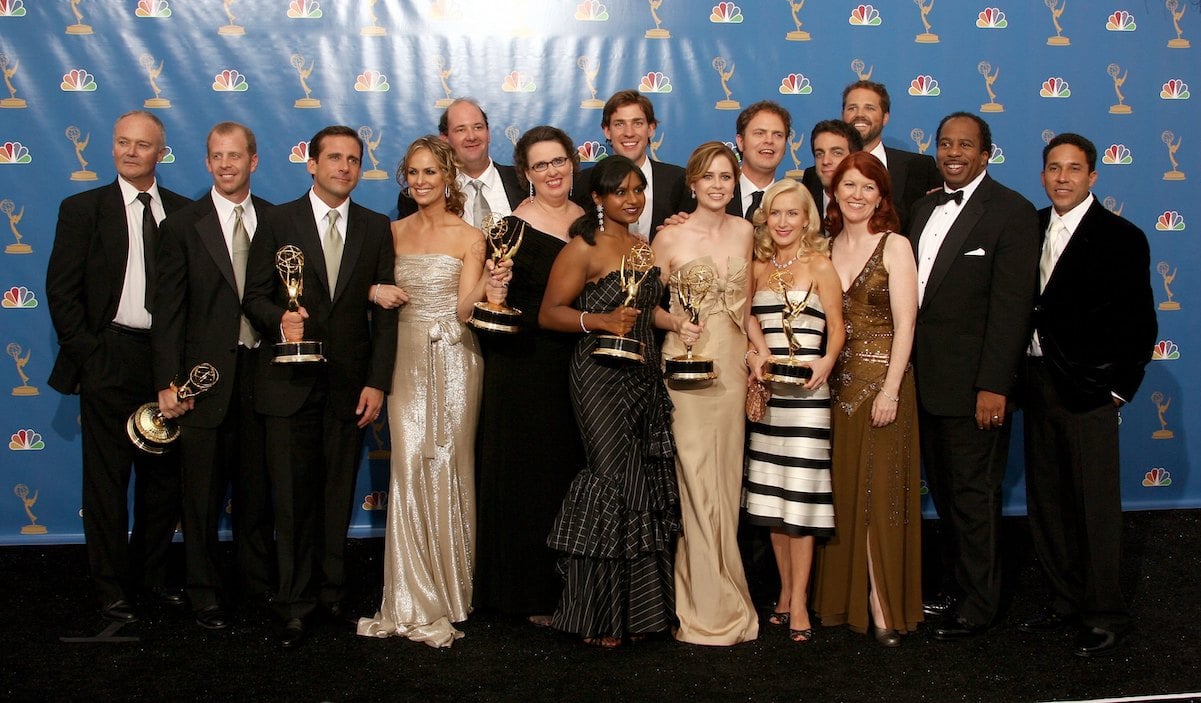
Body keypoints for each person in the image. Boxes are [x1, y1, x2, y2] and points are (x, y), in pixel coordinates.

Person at [242, 125, 398, 648]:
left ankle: (331, 594)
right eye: (333, 158)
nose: (344, 167)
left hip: (350, 388)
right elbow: (255, 295)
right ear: (311, 164)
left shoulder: (377, 227)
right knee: (291, 500)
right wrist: (277, 322)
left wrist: (378, 382)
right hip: (287, 383)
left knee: (337, 497)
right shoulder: (276, 219)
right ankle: (294, 602)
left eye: (353, 159)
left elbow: (385, 317)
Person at [46, 110, 192, 623]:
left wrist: (180, 369)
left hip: (165, 360)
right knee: (106, 482)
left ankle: (150, 577)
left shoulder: (184, 213)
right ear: (112, 147)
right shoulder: (81, 209)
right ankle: (110, 587)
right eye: (123, 143)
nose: (131, 152)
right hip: (108, 354)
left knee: (163, 479)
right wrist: (92, 355)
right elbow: (61, 293)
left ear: (161, 152)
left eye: (143, 144)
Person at [357, 136, 500, 647]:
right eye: (412, 174)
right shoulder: (388, 232)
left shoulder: (471, 236)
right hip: (404, 357)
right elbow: (360, 287)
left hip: (458, 356)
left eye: (429, 173)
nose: (420, 182)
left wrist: (490, 284)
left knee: (450, 462)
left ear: (448, 178)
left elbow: (465, 311)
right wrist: (376, 291)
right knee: (410, 461)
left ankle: (453, 592)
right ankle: (411, 591)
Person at [1018, 133, 1156, 657]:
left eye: (1074, 169)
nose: (1062, 177)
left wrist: (1119, 390)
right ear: (1043, 173)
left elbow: (1139, 324)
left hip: (1090, 391)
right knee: (1047, 501)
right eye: (1054, 167)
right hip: (1035, 383)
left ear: (1093, 177)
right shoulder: (1028, 227)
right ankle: (1064, 599)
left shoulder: (1121, 237)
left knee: (1093, 507)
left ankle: (1105, 613)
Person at [906, 112, 1039, 640]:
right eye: (945, 143)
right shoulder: (921, 207)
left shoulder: (1011, 212)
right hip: (924, 383)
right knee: (943, 491)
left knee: (975, 496)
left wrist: (994, 385)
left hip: (975, 389)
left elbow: (1012, 310)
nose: (953, 152)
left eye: (965, 144)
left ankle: (982, 604)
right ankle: (959, 587)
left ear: (987, 153)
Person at [540, 155, 680, 648]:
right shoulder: (584, 247)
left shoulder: (645, 249)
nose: (633, 199)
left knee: (637, 482)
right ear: (597, 198)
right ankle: (597, 613)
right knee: (612, 480)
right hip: (597, 376)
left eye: (638, 189)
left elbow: (647, 315)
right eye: (620, 191)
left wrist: (679, 322)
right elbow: (549, 314)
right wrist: (597, 322)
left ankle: (633, 611)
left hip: (642, 374)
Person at [152, 121, 274, 630]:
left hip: (263, 378)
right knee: (199, 495)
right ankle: (204, 591)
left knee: (256, 488)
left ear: (254, 161)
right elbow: (169, 313)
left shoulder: (275, 220)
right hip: (201, 383)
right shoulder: (182, 224)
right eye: (216, 156)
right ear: (206, 163)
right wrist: (168, 381)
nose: (226, 165)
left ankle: (254, 582)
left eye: (235, 156)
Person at [474, 126, 586, 624]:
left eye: (559, 160)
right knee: (529, 480)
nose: (553, 172)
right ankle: (528, 591)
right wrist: (493, 292)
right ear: (525, 175)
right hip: (522, 369)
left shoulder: (593, 224)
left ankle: (574, 589)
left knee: (570, 475)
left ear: (573, 164)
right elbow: (490, 305)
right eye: (540, 165)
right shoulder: (509, 229)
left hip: (581, 368)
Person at [812, 152, 922, 647]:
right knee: (843, 498)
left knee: (880, 500)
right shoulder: (825, 247)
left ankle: (882, 605)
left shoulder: (894, 245)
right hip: (834, 390)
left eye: (867, 188)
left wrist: (892, 389)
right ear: (834, 192)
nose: (857, 195)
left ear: (881, 197)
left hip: (883, 389)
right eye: (848, 185)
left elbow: (907, 323)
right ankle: (840, 601)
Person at [651, 142, 757, 646]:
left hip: (732, 367)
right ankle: (702, 607)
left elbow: (749, 304)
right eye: (708, 176)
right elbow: (647, 307)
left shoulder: (745, 231)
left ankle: (727, 592)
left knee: (726, 480)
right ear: (691, 184)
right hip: (687, 369)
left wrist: (757, 352)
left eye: (726, 177)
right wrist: (674, 321)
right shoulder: (668, 237)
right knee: (695, 480)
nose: (718, 185)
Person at [743, 179, 844, 644]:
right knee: (772, 503)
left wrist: (826, 360)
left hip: (808, 399)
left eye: (793, 214)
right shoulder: (759, 267)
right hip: (769, 395)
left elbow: (838, 328)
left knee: (800, 505)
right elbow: (745, 315)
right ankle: (783, 595)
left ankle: (800, 601)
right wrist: (758, 350)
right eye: (775, 213)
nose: (783, 222)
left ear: (808, 218)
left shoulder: (821, 265)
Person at [573, 90, 687, 238]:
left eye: (637, 123)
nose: (629, 133)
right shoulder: (584, 182)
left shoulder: (679, 180)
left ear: (651, 129)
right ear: (607, 131)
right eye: (619, 124)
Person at [395, 98, 525, 225]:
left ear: (488, 133)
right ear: (444, 138)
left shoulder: (525, 182)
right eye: (461, 130)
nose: (471, 137)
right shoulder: (419, 196)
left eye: (478, 127)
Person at [840, 80, 940, 231]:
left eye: (869, 108)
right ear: (843, 116)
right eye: (852, 108)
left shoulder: (920, 168)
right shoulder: (820, 173)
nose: (860, 114)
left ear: (885, 117)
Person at [727, 101, 793, 221]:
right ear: (741, 142)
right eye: (759, 133)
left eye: (778, 135)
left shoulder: (794, 203)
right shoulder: (714, 195)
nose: (769, 140)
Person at [800, 119, 864, 220]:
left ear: (855, 158)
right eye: (819, 154)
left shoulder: (868, 208)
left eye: (836, 153)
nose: (825, 161)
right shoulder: (805, 201)